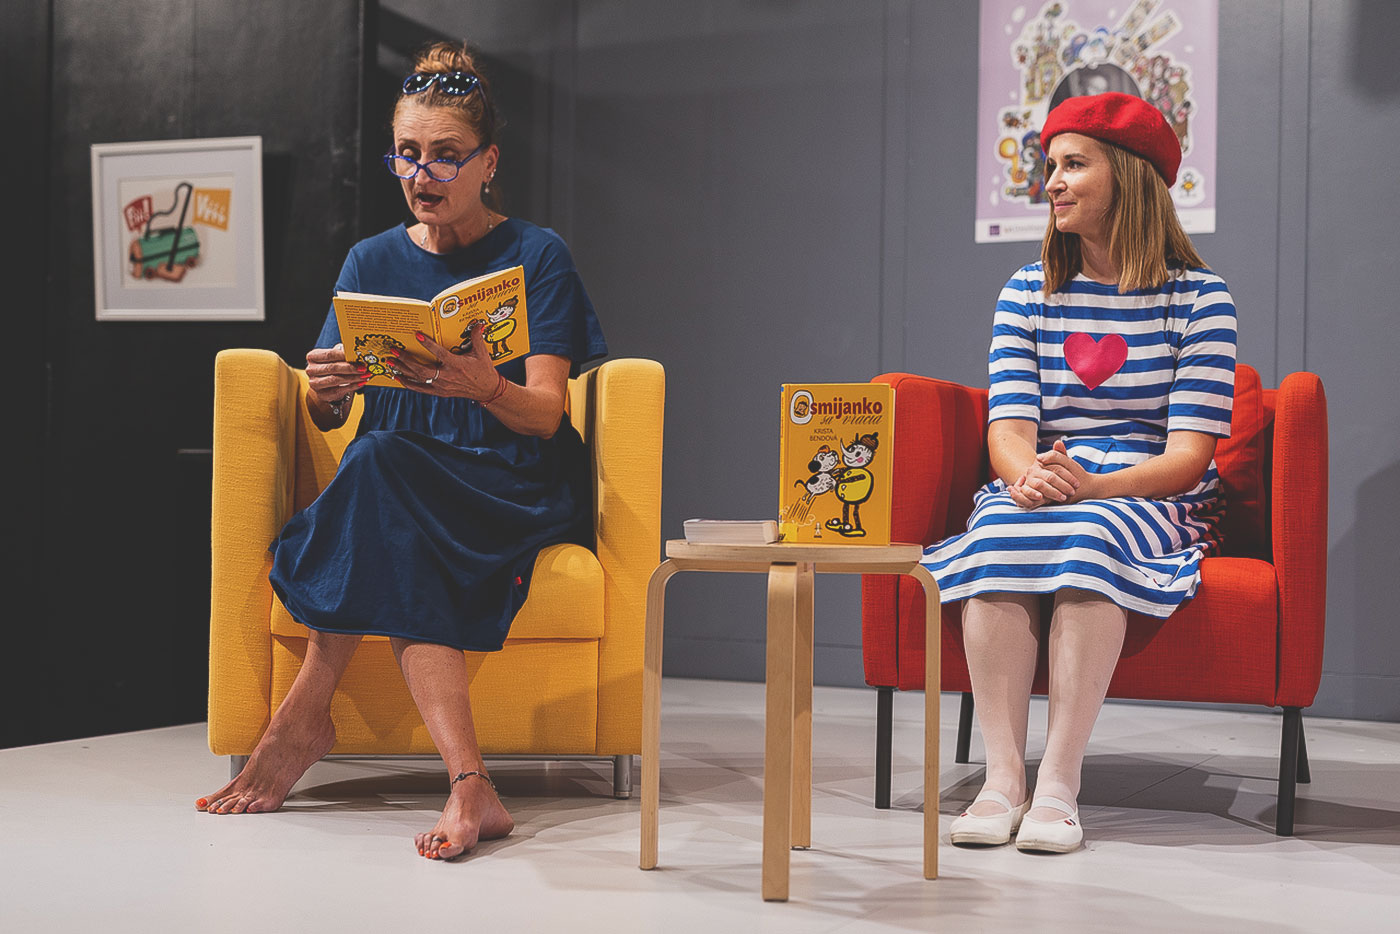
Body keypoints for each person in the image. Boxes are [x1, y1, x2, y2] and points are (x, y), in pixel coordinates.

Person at [195, 41, 608, 862]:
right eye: (407, 154)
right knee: (382, 473)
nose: (423, 174)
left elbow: (546, 416)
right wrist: (324, 385)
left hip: (506, 482)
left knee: (377, 465)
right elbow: (325, 411)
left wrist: (482, 386)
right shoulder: (371, 259)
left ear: (489, 163)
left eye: (446, 156)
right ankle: (470, 784)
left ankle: (303, 715)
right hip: (397, 476)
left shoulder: (538, 254)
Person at [923, 92, 1236, 853]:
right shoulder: (1026, 291)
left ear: (1127, 176)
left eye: (1073, 165)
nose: (1053, 183)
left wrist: (1093, 487)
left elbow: (1188, 457)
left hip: (1148, 485)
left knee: (1093, 530)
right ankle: (1004, 780)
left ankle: (1059, 784)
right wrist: (1024, 478)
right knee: (996, 528)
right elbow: (1008, 430)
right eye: (1050, 166)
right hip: (1049, 474)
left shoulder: (1201, 299)